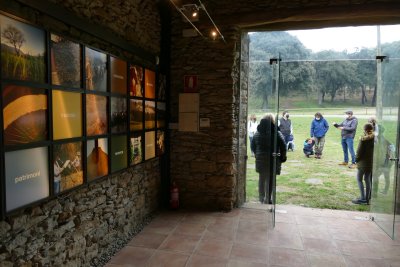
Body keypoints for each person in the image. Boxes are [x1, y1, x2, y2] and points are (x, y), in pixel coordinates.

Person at [251, 114, 287, 204]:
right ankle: (268, 199)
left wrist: (257, 154)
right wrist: (283, 157)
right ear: (272, 120)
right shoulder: (276, 132)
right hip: (272, 159)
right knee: (270, 180)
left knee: (262, 179)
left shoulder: (258, 132)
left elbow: (253, 145)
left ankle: (261, 198)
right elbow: (283, 145)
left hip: (261, 160)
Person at [352, 123, 375, 204]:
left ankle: (362, 198)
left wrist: (355, 160)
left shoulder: (363, 140)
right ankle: (367, 198)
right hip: (371, 162)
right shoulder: (375, 138)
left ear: (364, 130)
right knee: (367, 179)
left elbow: (359, 152)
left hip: (362, 163)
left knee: (359, 179)